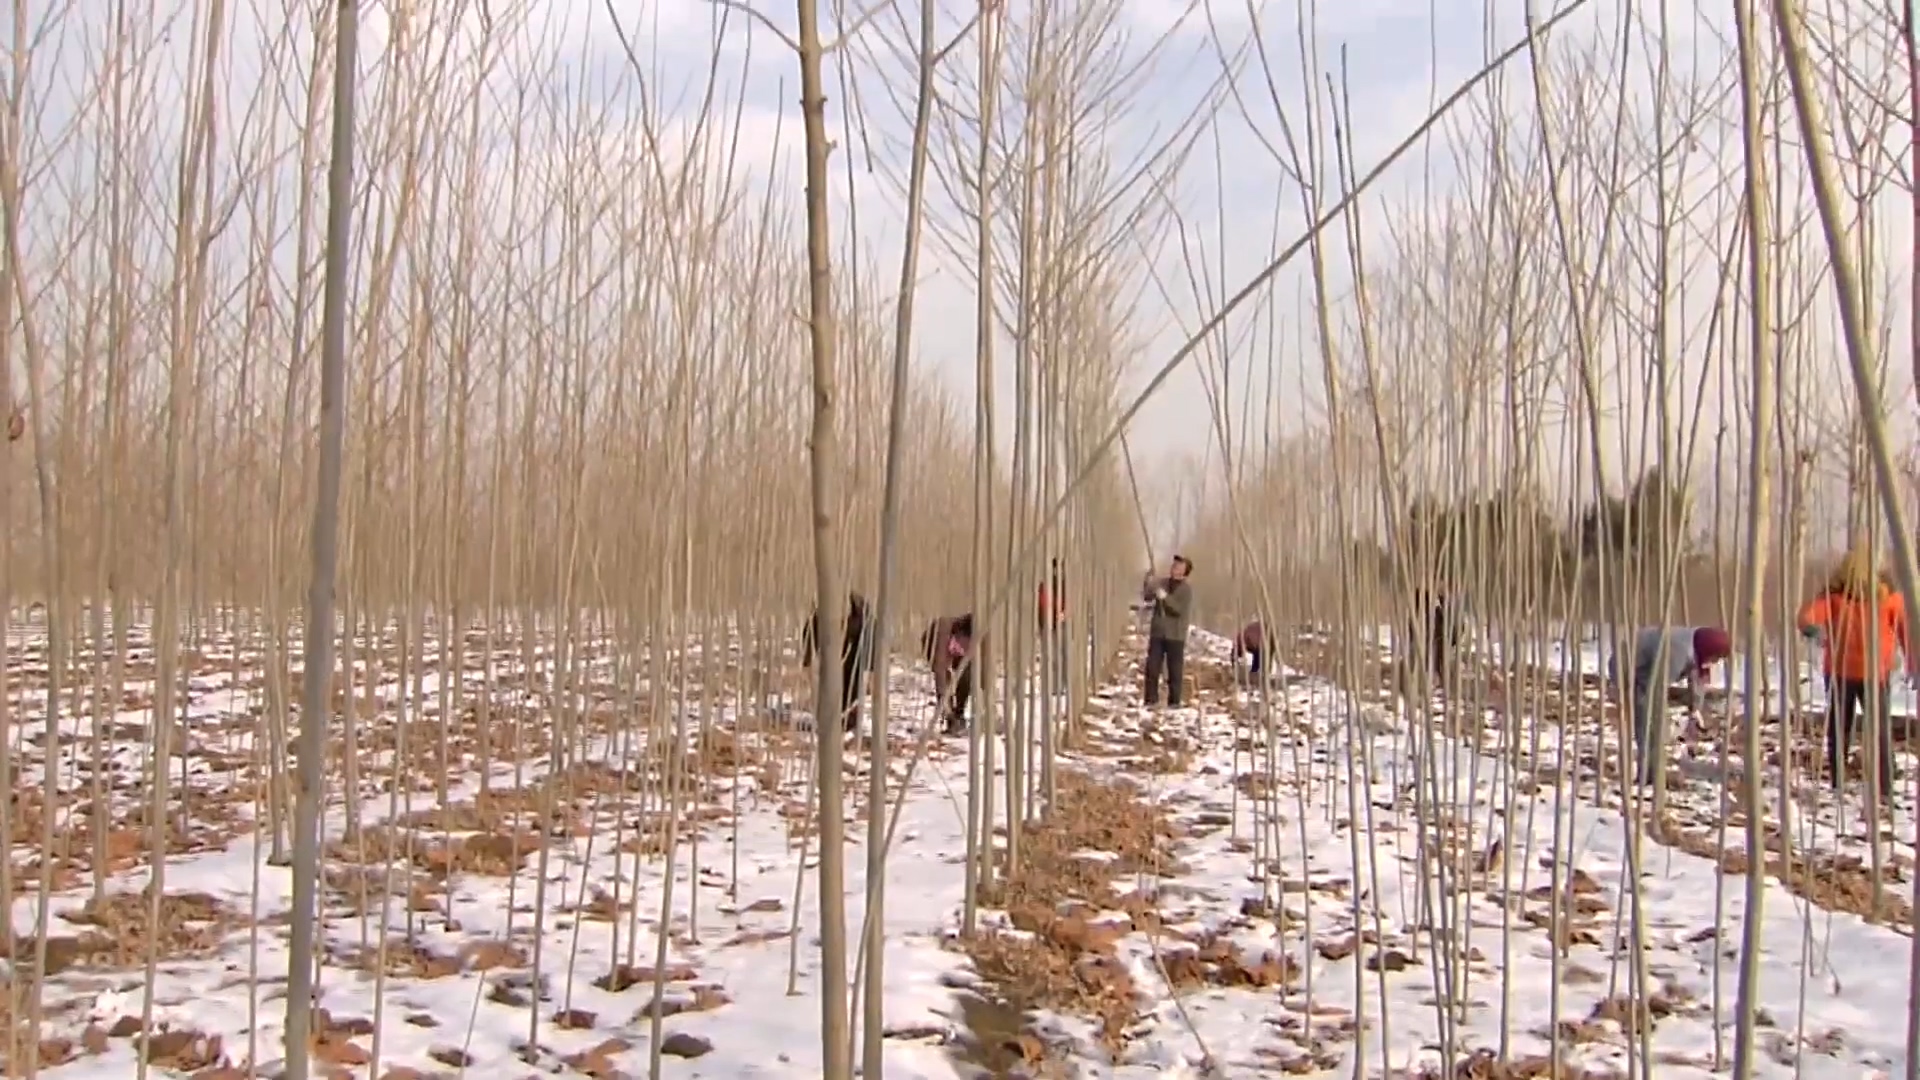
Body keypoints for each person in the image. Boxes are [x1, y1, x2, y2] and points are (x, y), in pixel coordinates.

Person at [1798, 549, 1908, 797]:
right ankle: (1885, 782)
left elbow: (1806, 618)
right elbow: (1906, 630)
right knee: (1878, 729)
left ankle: (1839, 780)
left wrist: (1814, 632)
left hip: (1840, 672)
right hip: (1875, 673)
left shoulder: (1835, 596)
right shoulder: (1889, 597)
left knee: (1839, 728)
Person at [1609, 624, 1733, 787]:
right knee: (1648, 721)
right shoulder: (1678, 651)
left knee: (1656, 721)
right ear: (1709, 650)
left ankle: (1654, 771)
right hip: (1627, 669)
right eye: (1716, 657)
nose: (1715, 662)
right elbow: (1656, 686)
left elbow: (1698, 680)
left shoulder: (1697, 645)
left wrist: (1695, 710)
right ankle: (1647, 775)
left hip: (1649, 670)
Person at [801, 592, 874, 733]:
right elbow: (808, 657)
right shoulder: (818, 621)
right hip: (834, 667)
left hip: (852, 666)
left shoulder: (863, 623)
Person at [1141, 555, 1195, 707]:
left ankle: (1174, 702)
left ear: (1184, 572)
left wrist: (1165, 598)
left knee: (1174, 671)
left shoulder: (1186, 590)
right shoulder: (1162, 583)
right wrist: (1148, 582)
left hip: (1175, 635)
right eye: (1174, 565)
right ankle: (1150, 700)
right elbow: (1147, 597)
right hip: (1158, 632)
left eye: (1179, 566)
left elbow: (1178, 609)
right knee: (1152, 667)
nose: (1175, 568)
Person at [920, 612, 975, 735]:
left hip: (955, 647)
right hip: (933, 646)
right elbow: (940, 677)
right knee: (945, 680)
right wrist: (948, 711)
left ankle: (959, 713)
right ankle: (949, 718)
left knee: (966, 676)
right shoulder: (941, 634)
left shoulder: (972, 638)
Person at [1037, 559, 1068, 687]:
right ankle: (1052, 684)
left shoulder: (1060, 585)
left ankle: (1057, 684)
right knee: (1053, 657)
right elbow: (1043, 605)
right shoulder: (1046, 586)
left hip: (1055, 624)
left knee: (1058, 656)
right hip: (1050, 625)